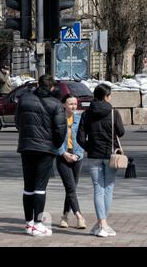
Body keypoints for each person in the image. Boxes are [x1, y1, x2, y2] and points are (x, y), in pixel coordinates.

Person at [15, 74, 67, 237]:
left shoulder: (24, 99)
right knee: (40, 188)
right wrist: (56, 145)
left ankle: (29, 223)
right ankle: (38, 224)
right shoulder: (56, 104)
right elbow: (60, 130)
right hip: (45, 149)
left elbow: (18, 122)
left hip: (26, 146)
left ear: (38, 84)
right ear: (52, 88)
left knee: (28, 187)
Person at [77, 84, 125, 238]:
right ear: (106, 96)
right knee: (109, 188)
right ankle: (103, 224)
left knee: (98, 189)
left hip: (94, 156)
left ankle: (101, 224)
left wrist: (89, 147)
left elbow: (80, 138)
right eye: (109, 95)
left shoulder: (87, 114)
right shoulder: (113, 113)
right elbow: (121, 132)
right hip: (111, 156)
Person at [56, 94, 86, 230]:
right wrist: (64, 153)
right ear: (63, 105)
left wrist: (78, 155)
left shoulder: (79, 119)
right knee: (70, 187)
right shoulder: (58, 119)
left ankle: (64, 216)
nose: (74, 106)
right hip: (62, 156)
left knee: (71, 188)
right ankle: (79, 216)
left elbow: (83, 138)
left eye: (75, 104)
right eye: (70, 104)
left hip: (77, 157)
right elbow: (53, 139)